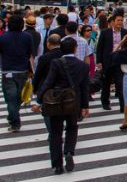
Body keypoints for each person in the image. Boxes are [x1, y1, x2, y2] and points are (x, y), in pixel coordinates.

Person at [36, 38, 90, 175]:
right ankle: (69, 151)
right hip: (74, 101)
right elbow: (84, 88)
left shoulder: (56, 63)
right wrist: (85, 105)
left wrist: (39, 100)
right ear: (75, 48)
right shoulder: (83, 66)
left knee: (55, 132)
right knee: (72, 127)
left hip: (57, 102)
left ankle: (57, 165)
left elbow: (48, 82)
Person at [0, 15, 34, 132]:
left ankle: (14, 121)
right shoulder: (27, 37)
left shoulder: (2, 37)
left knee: (11, 98)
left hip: (8, 71)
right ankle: (13, 116)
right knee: (19, 98)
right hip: (23, 71)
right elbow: (31, 54)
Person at [96, 14, 127, 111]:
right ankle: (105, 102)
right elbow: (100, 48)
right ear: (113, 22)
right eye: (118, 20)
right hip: (107, 61)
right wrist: (99, 61)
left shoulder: (125, 32)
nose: (120, 22)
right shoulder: (105, 32)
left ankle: (123, 105)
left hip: (120, 61)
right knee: (106, 83)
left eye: (121, 20)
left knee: (121, 83)